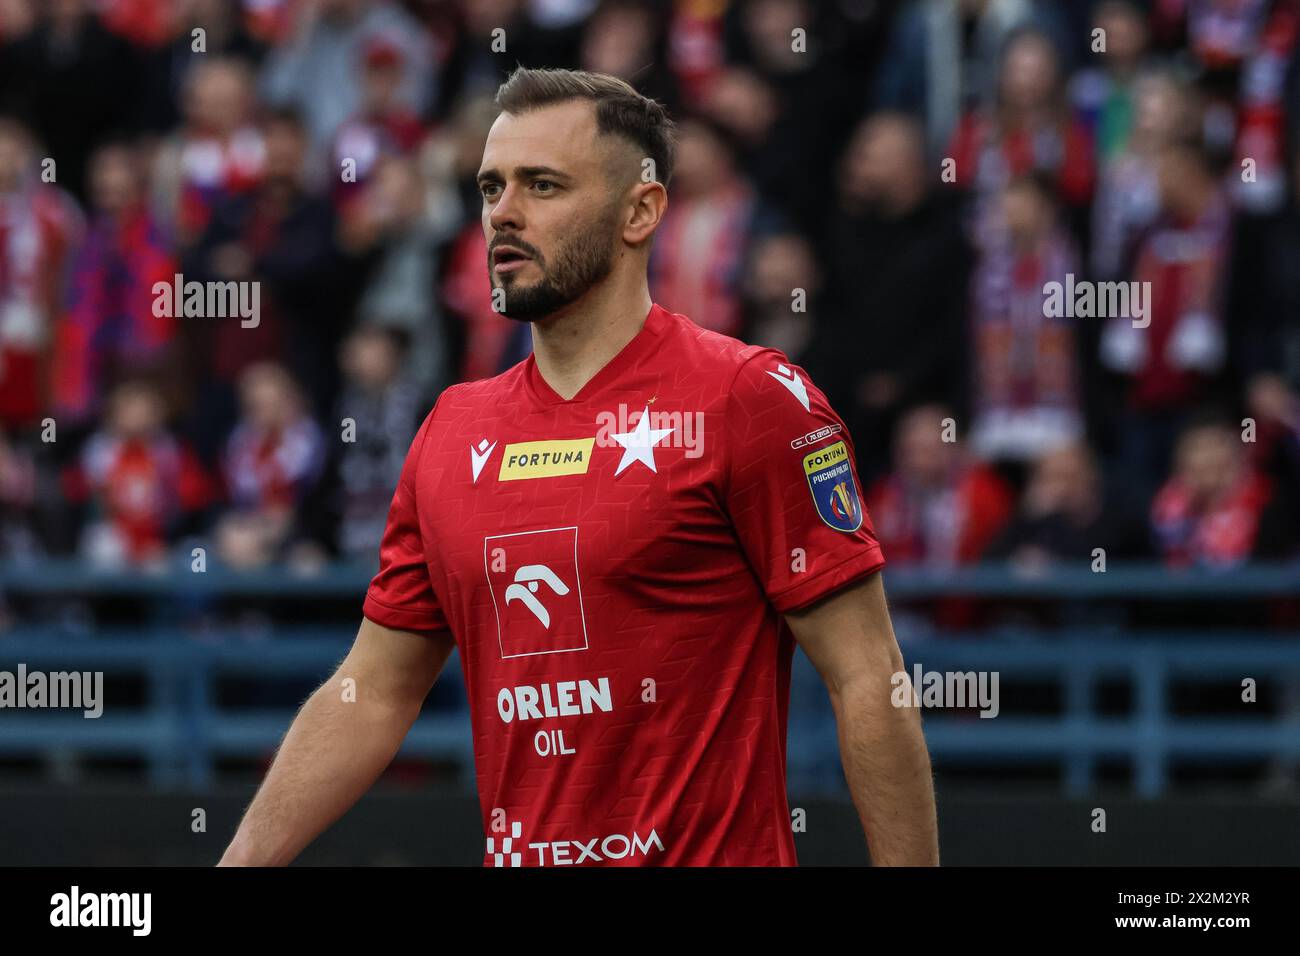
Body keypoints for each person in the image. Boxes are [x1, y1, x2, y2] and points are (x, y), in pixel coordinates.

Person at [220, 67, 937, 867]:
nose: (504, 213)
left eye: (544, 184)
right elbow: (375, 691)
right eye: (492, 186)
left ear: (640, 212)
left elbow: (871, 681)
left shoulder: (750, 398)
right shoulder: (451, 432)